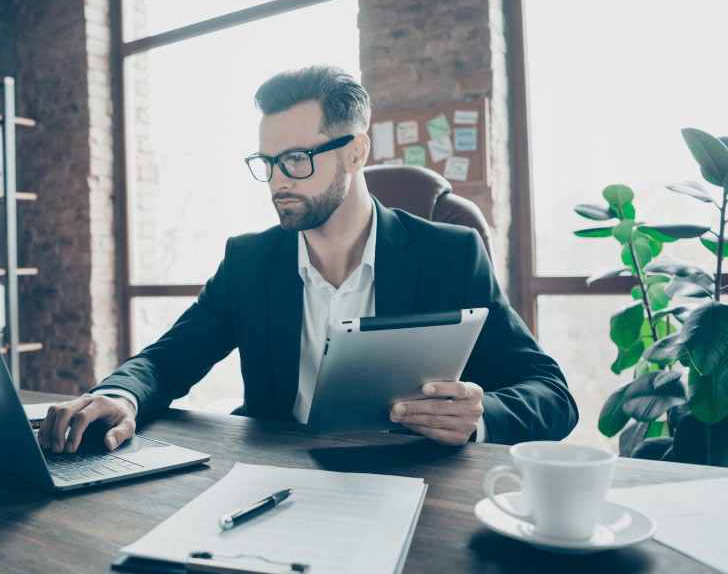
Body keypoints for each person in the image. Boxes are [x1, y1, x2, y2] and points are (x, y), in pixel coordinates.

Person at [38, 65, 577, 454]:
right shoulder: (248, 261)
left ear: (356, 152)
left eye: (295, 159)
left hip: (419, 484)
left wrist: (480, 417)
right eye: (267, 162)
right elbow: (166, 360)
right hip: (274, 479)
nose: (275, 182)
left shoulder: (450, 254)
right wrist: (119, 394)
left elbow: (551, 392)